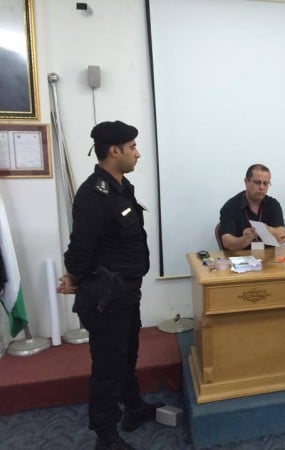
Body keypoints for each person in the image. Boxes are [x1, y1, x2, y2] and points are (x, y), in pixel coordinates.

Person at [57, 121, 162, 450]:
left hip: (126, 292)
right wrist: (75, 276)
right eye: (132, 147)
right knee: (108, 366)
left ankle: (133, 408)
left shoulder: (121, 186)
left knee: (127, 355)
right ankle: (105, 436)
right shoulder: (94, 194)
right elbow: (79, 251)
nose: (137, 153)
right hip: (107, 297)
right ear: (114, 151)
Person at [219, 163, 285, 251]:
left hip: (269, 256)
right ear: (246, 182)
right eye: (257, 182)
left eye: (265, 183)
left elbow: (282, 234)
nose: (262, 187)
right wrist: (245, 239)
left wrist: (266, 229)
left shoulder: (273, 204)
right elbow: (227, 242)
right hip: (241, 256)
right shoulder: (230, 207)